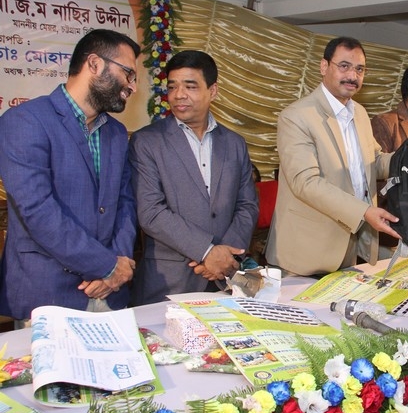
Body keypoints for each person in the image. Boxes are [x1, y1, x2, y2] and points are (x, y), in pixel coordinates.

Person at [0, 29, 139, 320]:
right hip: (47, 295)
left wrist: (119, 265)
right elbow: (38, 212)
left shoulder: (115, 133)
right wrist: (106, 266)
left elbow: (125, 204)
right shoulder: (25, 121)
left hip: (110, 294)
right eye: (128, 73)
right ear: (94, 64)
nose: (132, 86)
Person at [129, 50, 259, 305]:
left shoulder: (234, 143)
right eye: (172, 87)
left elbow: (247, 205)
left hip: (226, 279)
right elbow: (151, 212)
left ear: (213, 91)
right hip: (169, 284)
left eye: (190, 86)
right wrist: (207, 252)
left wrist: (225, 257)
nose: (179, 95)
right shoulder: (147, 142)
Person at [265, 37, 399, 276]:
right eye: (344, 66)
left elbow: (374, 162)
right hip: (304, 253)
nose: (352, 76)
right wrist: (364, 212)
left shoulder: (359, 113)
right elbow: (305, 183)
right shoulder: (296, 116)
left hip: (348, 247)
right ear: (324, 66)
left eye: (360, 69)